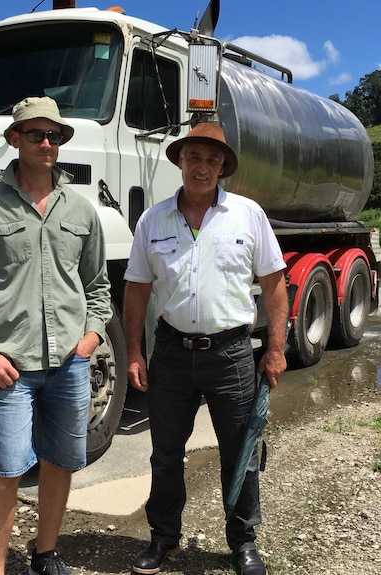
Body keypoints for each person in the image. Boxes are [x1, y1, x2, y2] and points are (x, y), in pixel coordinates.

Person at [0, 96, 112, 575]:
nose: (46, 143)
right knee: (6, 471)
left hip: (70, 365)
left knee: (60, 463)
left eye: (53, 135)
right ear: (14, 140)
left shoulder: (81, 211)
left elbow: (98, 286)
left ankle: (46, 553)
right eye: (36, 134)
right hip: (10, 370)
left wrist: (92, 336)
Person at [123, 122, 289, 575]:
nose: (202, 167)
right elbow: (136, 290)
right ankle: (162, 538)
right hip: (172, 355)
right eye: (194, 157)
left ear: (223, 168)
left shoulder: (248, 215)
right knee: (165, 453)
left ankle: (243, 542)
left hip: (232, 354)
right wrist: (134, 352)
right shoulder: (152, 220)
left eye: (212, 160)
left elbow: (275, 284)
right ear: (180, 162)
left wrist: (275, 348)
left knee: (241, 450)